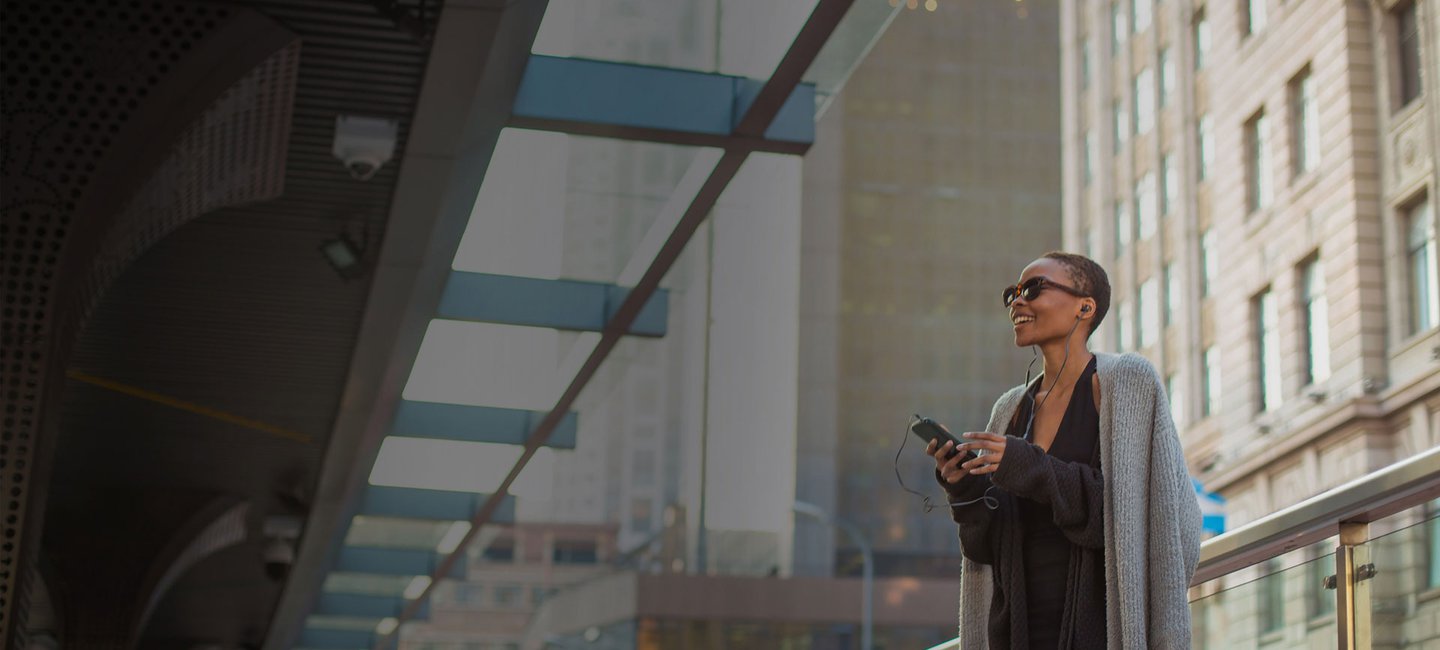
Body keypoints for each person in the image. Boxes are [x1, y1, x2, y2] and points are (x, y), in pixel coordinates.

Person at [925, 251, 1201, 649]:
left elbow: (1136, 519)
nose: (1017, 302)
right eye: (1013, 294)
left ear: (1084, 307)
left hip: (1099, 634)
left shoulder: (1125, 383)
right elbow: (986, 549)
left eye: (1033, 288)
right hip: (1016, 634)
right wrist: (964, 490)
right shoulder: (1009, 409)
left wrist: (1030, 466)